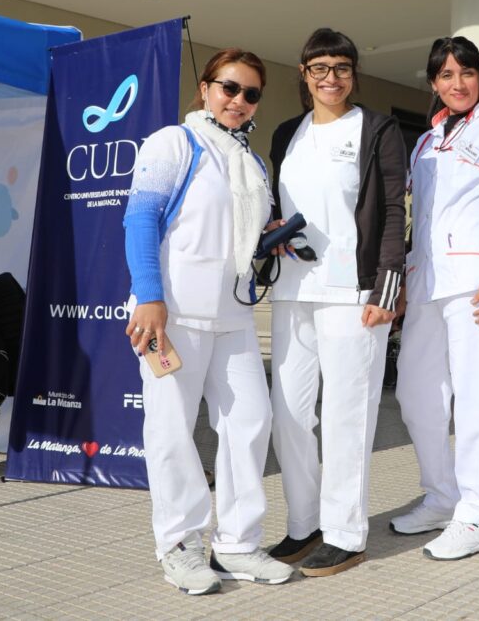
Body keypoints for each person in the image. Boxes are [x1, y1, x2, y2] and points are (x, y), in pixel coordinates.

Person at [123, 48, 293, 594]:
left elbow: (236, 233)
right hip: (172, 315)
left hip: (234, 314)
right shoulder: (174, 142)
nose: (238, 101)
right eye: (229, 88)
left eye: (251, 94)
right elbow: (140, 219)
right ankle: (179, 544)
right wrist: (150, 296)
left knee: (251, 422)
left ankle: (238, 544)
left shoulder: (252, 162)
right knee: (171, 430)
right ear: (205, 88)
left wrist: (271, 239)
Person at [264, 28, 407, 576]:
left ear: (353, 74)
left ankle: (346, 533)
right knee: (289, 415)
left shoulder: (377, 128)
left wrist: (387, 289)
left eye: (342, 68)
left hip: (353, 292)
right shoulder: (287, 133)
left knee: (348, 414)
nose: (331, 78)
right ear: (304, 75)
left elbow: (392, 210)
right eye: (320, 68)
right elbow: (277, 202)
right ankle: (306, 524)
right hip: (293, 289)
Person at [390, 36, 479, 560]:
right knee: (415, 393)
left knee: (476, 396)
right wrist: (405, 279)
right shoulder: (427, 141)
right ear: (434, 83)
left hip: (477, 279)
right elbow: (419, 215)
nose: (458, 83)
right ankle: (442, 496)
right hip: (427, 281)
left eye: (467, 72)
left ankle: (478, 514)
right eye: (446, 75)